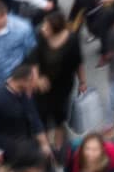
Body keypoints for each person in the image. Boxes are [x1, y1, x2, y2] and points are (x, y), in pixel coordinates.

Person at [29, 10, 86, 143]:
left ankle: (59, 136)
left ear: (57, 30)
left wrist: (82, 82)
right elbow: (34, 57)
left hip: (63, 85)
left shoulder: (71, 40)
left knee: (59, 113)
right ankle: (45, 142)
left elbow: (78, 62)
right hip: (43, 85)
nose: (43, 29)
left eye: (47, 28)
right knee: (41, 112)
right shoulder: (41, 36)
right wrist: (36, 78)